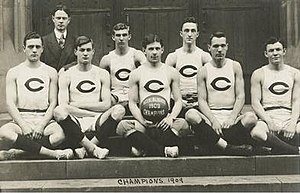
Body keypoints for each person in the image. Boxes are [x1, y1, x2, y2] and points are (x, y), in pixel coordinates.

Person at [0, 32, 72, 160]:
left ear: (42, 49)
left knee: (59, 136)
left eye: (38, 47)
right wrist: (23, 125)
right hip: (22, 117)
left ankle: (17, 153)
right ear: (24, 49)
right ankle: (52, 153)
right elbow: (10, 103)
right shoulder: (14, 72)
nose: (34, 50)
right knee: (4, 133)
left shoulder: (51, 72)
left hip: (43, 118)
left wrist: (41, 125)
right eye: (30, 47)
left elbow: (53, 102)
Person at [116, 34, 190, 157]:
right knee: (122, 126)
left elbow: (178, 101)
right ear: (144, 50)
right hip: (145, 121)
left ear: (162, 50)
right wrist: (142, 120)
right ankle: (163, 150)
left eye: (157, 48)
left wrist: (170, 118)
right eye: (150, 49)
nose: (154, 52)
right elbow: (133, 103)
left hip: (164, 121)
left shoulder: (171, 72)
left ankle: (144, 148)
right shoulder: (136, 73)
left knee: (183, 125)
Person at [53, 36, 125, 159]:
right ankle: (94, 149)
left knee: (119, 110)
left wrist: (77, 105)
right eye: (82, 50)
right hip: (75, 119)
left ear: (93, 51)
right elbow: (64, 106)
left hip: (97, 118)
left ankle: (86, 148)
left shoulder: (102, 74)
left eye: (88, 50)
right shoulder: (67, 75)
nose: (85, 53)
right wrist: (89, 113)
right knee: (58, 111)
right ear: (75, 51)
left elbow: (106, 104)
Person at [186, 31, 257, 155]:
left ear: (227, 47)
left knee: (251, 118)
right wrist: (213, 120)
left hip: (231, 117)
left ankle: (213, 144)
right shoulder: (203, 71)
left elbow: (240, 96)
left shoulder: (235, 66)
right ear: (209, 48)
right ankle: (229, 147)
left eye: (223, 46)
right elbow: (201, 100)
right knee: (190, 114)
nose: (219, 49)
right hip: (212, 118)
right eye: (215, 46)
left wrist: (232, 118)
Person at [250, 37, 300, 154]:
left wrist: (292, 123)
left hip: (288, 115)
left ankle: (275, 145)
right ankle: (294, 150)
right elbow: (255, 102)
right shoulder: (258, 74)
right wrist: (269, 122)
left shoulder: (295, 73)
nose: (275, 53)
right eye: (271, 51)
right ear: (266, 54)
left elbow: (297, 100)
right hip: (268, 115)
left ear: (284, 51)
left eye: (278, 49)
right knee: (256, 132)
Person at [165, 16, 211, 116]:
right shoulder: (173, 57)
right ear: (181, 34)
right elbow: (165, 84)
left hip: (199, 103)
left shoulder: (205, 57)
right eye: (186, 31)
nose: (189, 34)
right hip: (178, 103)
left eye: (193, 31)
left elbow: (211, 82)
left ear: (197, 34)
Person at [99, 23, 146, 111]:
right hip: (115, 96)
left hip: (134, 94)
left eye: (124, 35)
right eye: (118, 35)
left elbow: (147, 74)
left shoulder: (136, 55)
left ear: (129, 36)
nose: (121, 38)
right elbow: (100, 83)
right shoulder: (107, 59)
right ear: (113, 37)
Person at [41, 4, 77, 71]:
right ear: (53, 19)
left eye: (64, 18)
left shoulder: (75, 40)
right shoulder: (44, 41)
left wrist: (65, 68)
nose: (61, 21)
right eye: (58, 18)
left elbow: (79, 62)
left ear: (68, 20)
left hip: (68, 78)